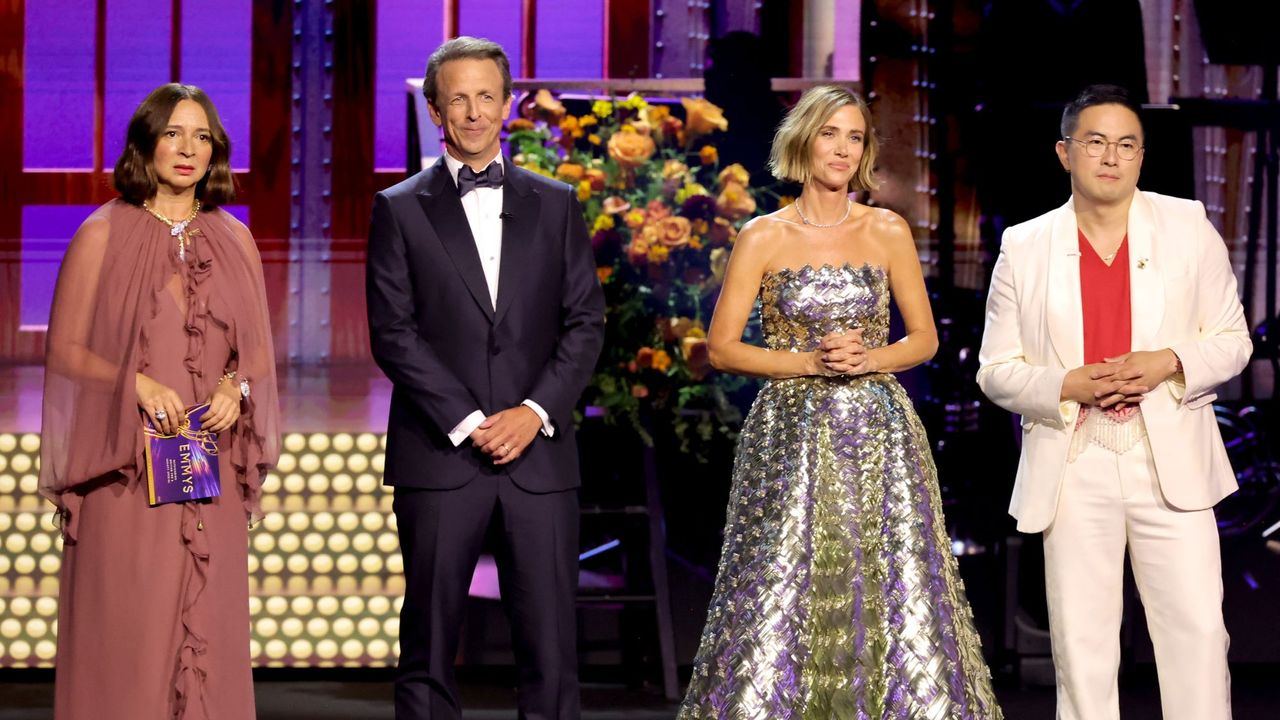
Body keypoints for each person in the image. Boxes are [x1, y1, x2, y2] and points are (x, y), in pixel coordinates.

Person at [679, 84, 1002, 718]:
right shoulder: (762, 236)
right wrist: (807, 363)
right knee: (783, 581)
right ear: (804, 140)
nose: (842, 148)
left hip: (879, 435)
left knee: (883, 580)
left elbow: (925, 338)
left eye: (854, 137)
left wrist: (870, 359)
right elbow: (721, 348)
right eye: (831, 133)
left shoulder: (887, 229)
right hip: (790, 435)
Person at [976, 84, 1250, 720]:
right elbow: (996, 370)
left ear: (1142, 155)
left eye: (1126, 145)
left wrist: (1168, 362)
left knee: (1198, 634)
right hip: (1074, 459)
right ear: (1064, 152)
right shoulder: (1027, 245)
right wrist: (1067, 384)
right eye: (1095, 142)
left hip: (1171, 452)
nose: (1111, 157)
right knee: (1082, 643)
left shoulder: (1186, 224)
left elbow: (1232, 341)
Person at [366, 36, 605, 720]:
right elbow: (393, 332)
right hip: (441, 454)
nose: (473, 113)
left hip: (541, 453)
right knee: (431, 641)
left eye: (486, 97)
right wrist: (472, 421)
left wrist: (533, 411)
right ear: (436, 110)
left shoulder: (557, 204)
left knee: (552, 648)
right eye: (458, 99)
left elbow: (585, 321)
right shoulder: (400, 208)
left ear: (510, 104)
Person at [39, 83, 280, 719]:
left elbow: (254, 353)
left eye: (202, 136)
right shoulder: (102, 233)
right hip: (127, 468)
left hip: (209, 469)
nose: (188, 148)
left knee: (208, 625)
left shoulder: (236, 240)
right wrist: (135, 385)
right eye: (173, 132)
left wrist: (237, 387)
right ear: (146, 142)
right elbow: (63, 351)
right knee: (131, 633)